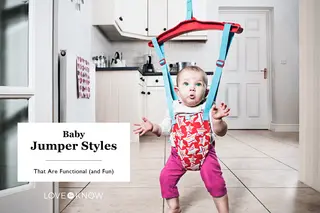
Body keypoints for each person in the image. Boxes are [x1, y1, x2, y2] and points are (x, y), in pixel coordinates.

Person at [134, 66, 230, 213]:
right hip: (178, 155)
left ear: (206, 92)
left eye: (198, 84)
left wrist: (217, 120)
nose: (192, 88)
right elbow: (164, 128)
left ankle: (224, 210)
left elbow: (221, 132)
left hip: (205, 155)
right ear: (177, 91)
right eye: (186, 84)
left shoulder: (208, 108)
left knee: (215, 182)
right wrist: (153, 126)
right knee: (165, 178)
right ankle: (174, 206)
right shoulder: (174, 108)